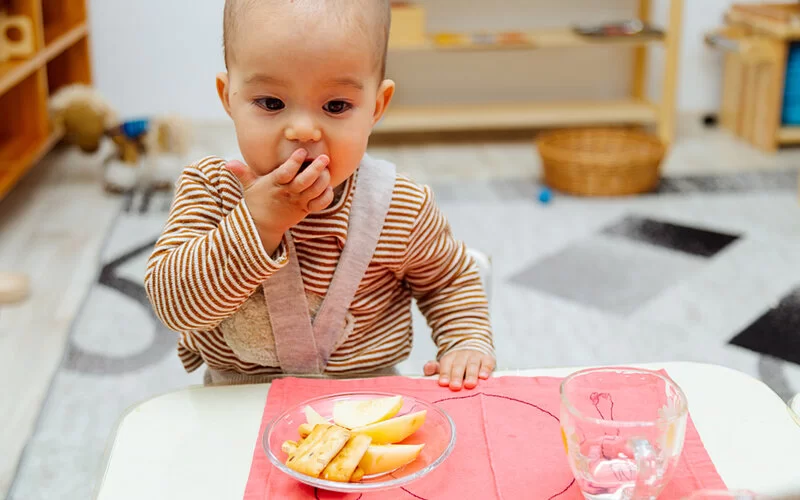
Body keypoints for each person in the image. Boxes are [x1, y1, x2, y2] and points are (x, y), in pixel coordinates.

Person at [144, 0, 494, 391]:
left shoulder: (400, 206)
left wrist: (464, 341)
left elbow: (448, 280)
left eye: (336, 105)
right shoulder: (211, 188)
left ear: (376, 106)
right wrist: (257, 226)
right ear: (229, 98)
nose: (304, 130)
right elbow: (174, 307)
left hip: (365, 402)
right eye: (271, 103)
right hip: (237, 400)